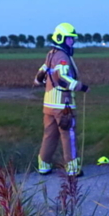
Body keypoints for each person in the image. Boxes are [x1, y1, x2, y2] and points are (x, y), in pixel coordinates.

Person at [35, 22, 89, 176]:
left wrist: (44, 81)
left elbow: (39, 77)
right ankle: (73, 168)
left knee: (49, 135)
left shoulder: (50, 54)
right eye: (69, 39)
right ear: (61, 38)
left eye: (73, 39)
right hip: (63, 104)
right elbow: (63, 79)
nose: (72, 41)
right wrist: (81, 86)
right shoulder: (62, 56)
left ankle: (43, 165)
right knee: (68, 135)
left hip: (48, 104)